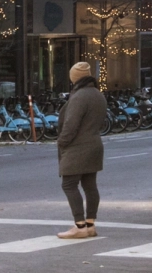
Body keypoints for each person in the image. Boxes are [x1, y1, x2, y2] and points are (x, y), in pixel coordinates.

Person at [55, 61, 106, 240]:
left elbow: (71, 124)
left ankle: (80, 226)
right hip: (94, 144)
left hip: (77, 146)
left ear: (74, 78)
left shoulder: (79, 97)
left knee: (69, 184)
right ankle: (90, 224)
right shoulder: (98, 94)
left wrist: (62, 142)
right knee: (90, 185)